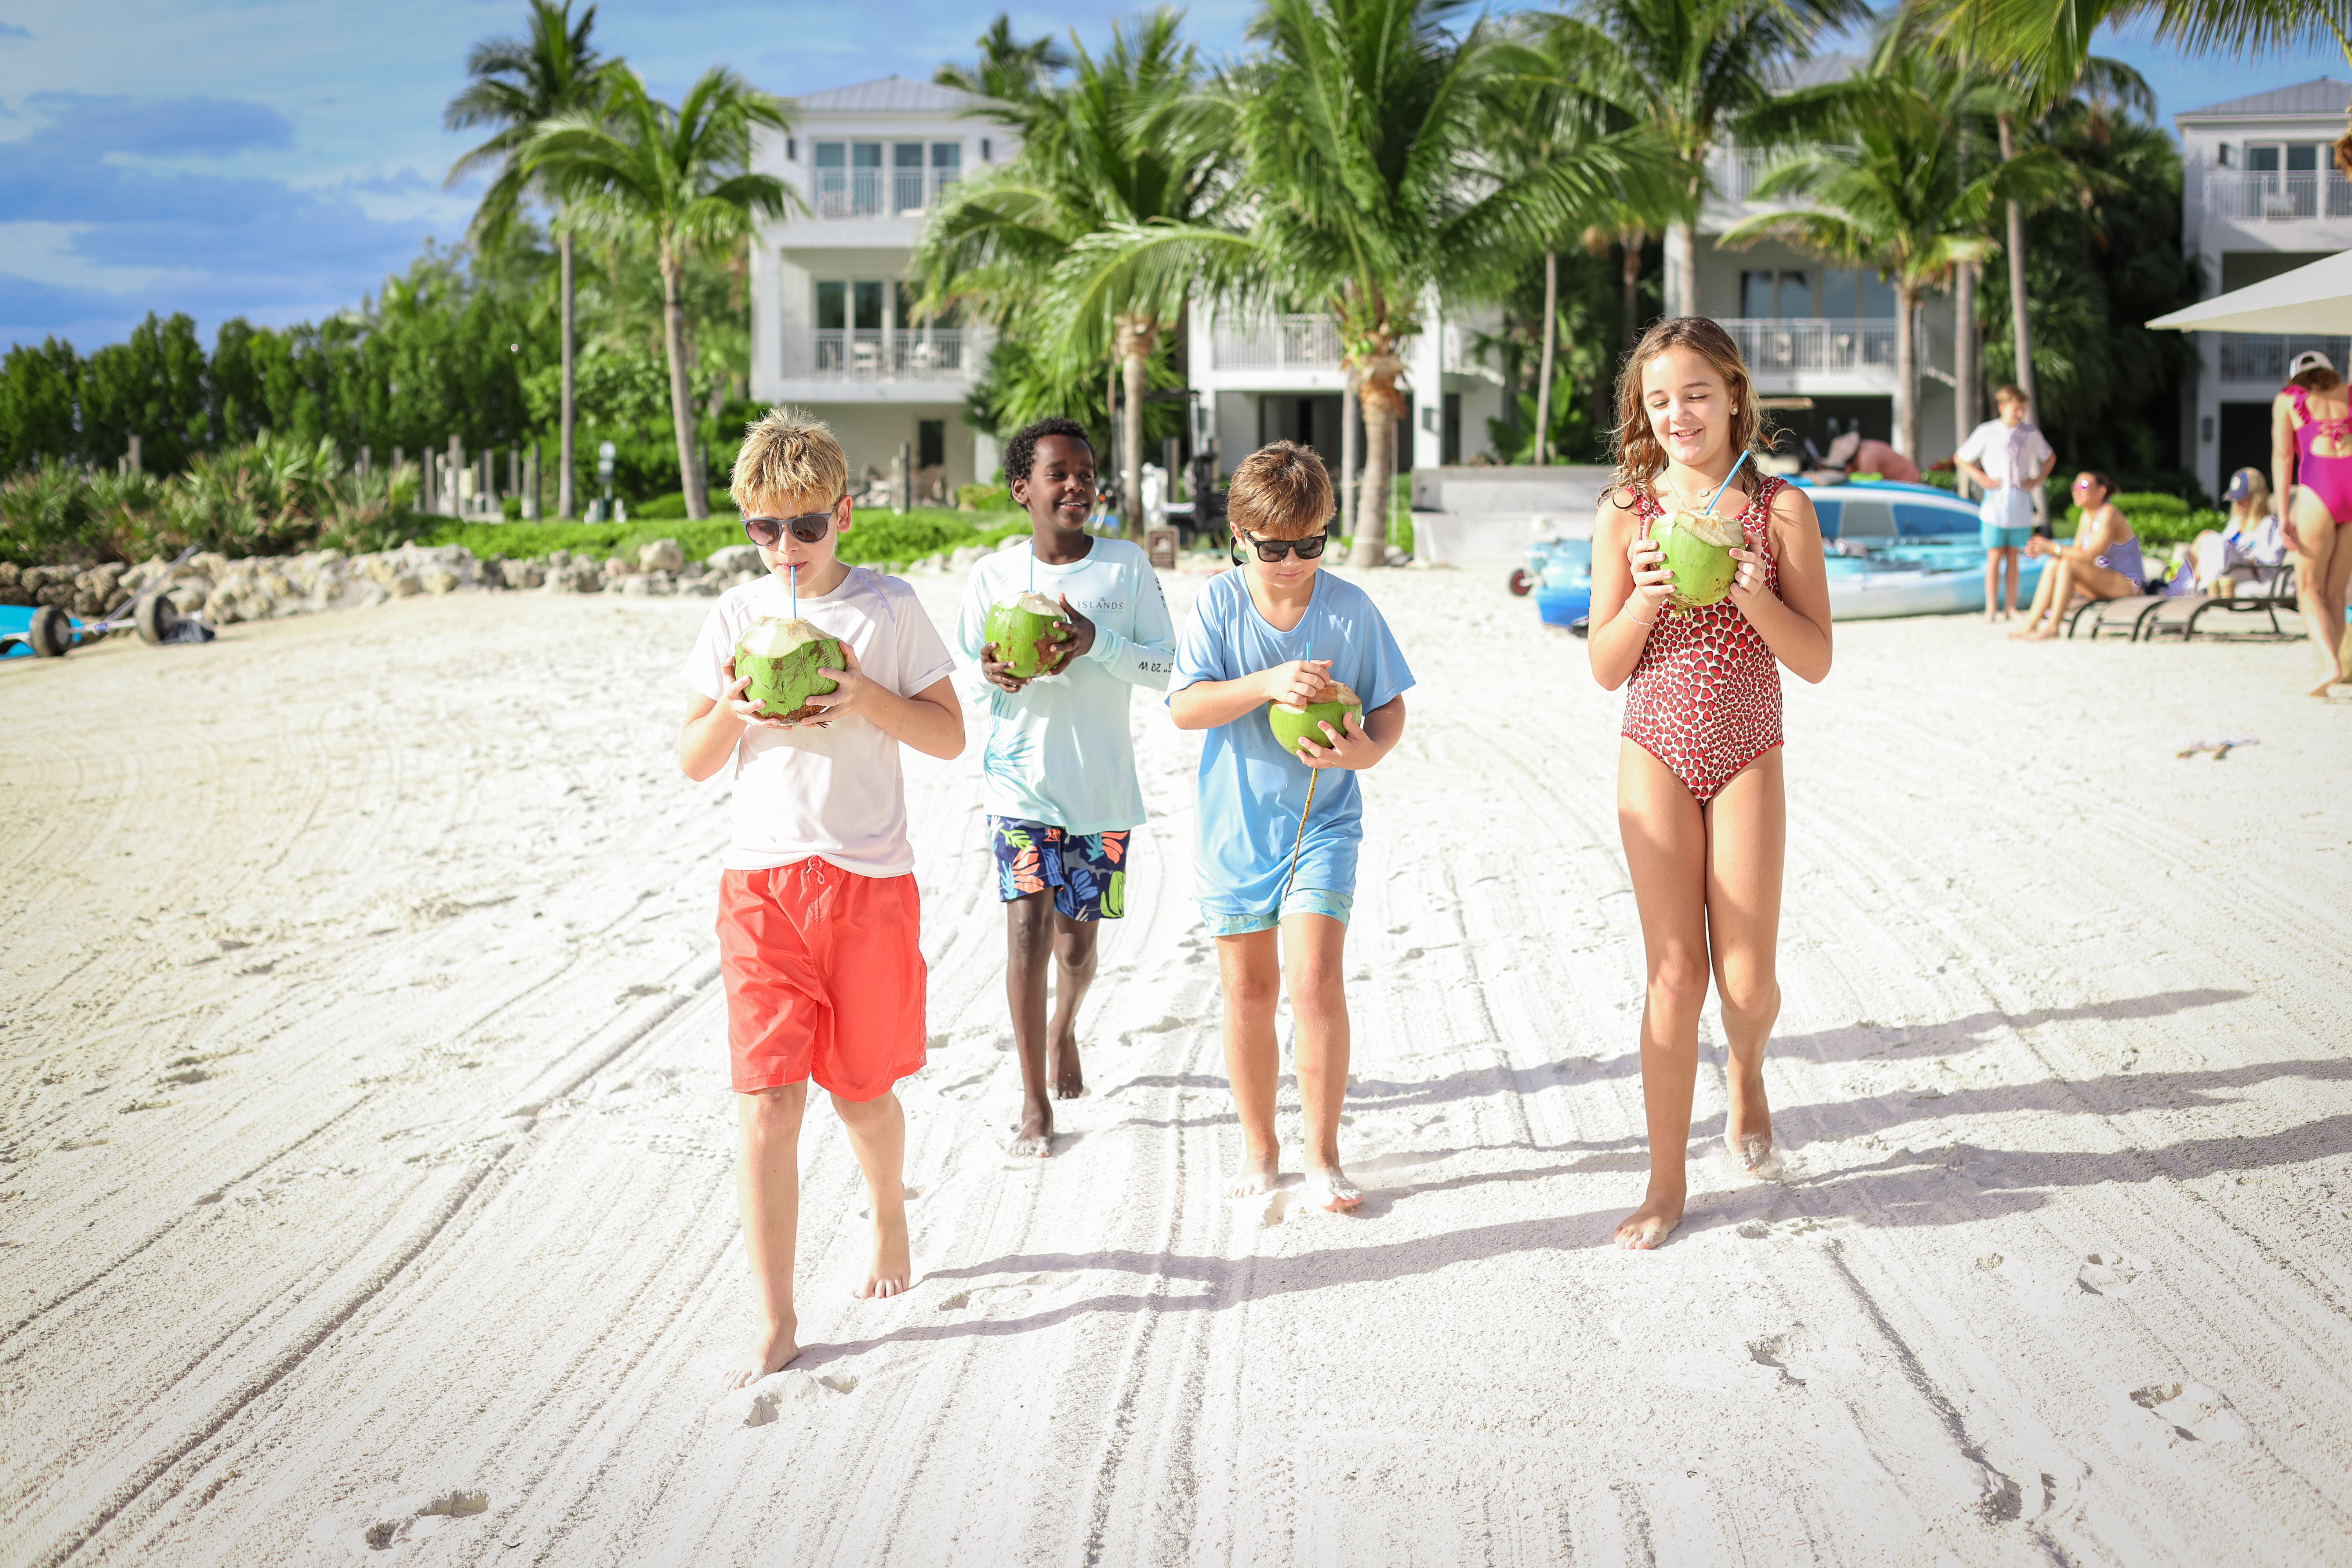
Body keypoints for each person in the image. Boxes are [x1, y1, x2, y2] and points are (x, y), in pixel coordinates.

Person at [678, 410, 964, 1387]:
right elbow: (693, 760)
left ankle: (888, 1207)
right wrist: (734, 706)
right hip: (759, 881)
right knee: (768, 1103)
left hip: (867, 880)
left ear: (845, 514)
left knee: (861, 1091)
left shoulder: (887, 611)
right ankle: (777, 1316)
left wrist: (860, 697)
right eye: (767, 531)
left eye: (807, 527)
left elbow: (945, 734)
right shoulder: (734, 620)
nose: (788, 550)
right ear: (749, 528)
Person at [1587, 317, 1833, 1251]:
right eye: (1659, 398)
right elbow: (1607, 668)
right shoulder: (1625, 510)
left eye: (1696, 391)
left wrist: (1746, 590)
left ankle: (1748, 1069)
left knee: (1746, 978)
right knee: (1675, 971)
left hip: (1748, 747)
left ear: (1734, 392)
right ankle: (1664, 1181)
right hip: (1653, 741)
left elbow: (1813, 659)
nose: (1679, 412)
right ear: (1642, 411)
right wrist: (1649, 596)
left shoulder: (1782, 510)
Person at [1167, 441, 1412, 1212]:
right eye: (1275, 548)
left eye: (1312, 544)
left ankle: (1323, 1153)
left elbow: (1390, 706)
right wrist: (1268, 682)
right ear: (1239, 534)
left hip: (1323, 821)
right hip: (1234, 828)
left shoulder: (1348, 608)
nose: (1294, 562)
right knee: (1248, 991)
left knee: (1313, 984)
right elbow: (1184, 707)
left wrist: (1366, 751)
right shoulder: (1218, 604)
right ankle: (1260, 1145)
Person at [957, 417, 1175, 1157]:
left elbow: (1169, 671)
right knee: (1027, 930)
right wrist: (990, 676)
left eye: (1086, 472)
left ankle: (1064, 1026)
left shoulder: (1125, 568)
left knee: (1077, 950)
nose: (1077, 484)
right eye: (1060, 473)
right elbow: (961, 679)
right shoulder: (992, 577)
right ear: (1024, 489)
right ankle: (1033, 1101)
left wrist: (1095, 642)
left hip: (1102, 792)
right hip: (1019, 786)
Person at [2270, 349, 2352, 696]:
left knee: (2308, 590)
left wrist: (2283, 513)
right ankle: (2328, 669)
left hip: (2319, 486)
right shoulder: (2349, 392)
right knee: (2336, 593)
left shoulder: (2287, 399)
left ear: (2295, 378)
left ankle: (2330, 665)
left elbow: (2283, 455)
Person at [1953, 385, 2058, 622]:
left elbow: (2050, 456)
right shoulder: (1987, 431)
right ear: (2003, 407)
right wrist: (1981, 478)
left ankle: (2010, 607)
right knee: (1994, 555)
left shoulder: (2031, 433)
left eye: (2023, 410)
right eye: (2016, 409)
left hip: (2021, 504)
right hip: (1995, 506)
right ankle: (1991, 608)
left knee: (2014, 556)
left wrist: (2039, 479)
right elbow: (1961, 457)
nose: (2020, 414)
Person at [2011, 472, 2144, 639]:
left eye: (2083, 486)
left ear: (2101, 491)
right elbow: (2074, 554)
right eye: (2074, 487)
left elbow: (2089, 556)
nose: (2077, 491)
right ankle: (2031, 624)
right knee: (2054, 564)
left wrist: (2052, 547)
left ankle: (2053, 627)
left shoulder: (2109, 514)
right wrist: (2043, 550)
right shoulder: (2087, 516)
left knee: (2067, 565)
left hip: (2129, 585)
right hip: (2103, 581)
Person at [2173, 468, 2286, 596]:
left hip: (2247, 575)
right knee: (2205, 540)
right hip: (2227, 570)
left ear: (2257, 497)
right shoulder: (2236, 524)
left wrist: (2247, 558)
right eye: (2235, 499)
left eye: (2243, 498)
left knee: (2210, 538)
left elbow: (2269, 569)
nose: (2237, 503)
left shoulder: (2269, 525)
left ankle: (2188, 587)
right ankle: (2185, 584)